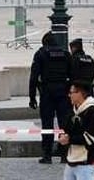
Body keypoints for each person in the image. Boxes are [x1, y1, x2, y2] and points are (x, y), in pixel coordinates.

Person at [29, 32, 72, 164]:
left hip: (47, 92)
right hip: (63, 92)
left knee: (47, 124)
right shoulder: (65, 54)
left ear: (44, 43)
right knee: (64, 124)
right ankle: (64, 154)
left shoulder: (41, 54)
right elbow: (72, 74)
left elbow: (34, 77)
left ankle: (47, 155)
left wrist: (32, 97)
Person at [58, 81, 94, 180]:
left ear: (80, 94)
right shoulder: (73, 111)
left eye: (72, 92)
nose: (69, 95)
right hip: (71, 160)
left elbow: (90, 138)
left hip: (86, 162)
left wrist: (69, 139)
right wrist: (62, 136)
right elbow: (66, 130)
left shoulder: (93, 113)